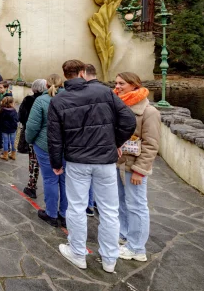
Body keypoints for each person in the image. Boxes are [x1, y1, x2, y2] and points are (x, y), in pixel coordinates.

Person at [47, 59, 136, 273]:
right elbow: (129, 121)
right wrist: (115, 143)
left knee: (76, 208)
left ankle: (78, 253)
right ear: (82, 73)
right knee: (109, 210)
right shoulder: (103, 93)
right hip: (104, 160)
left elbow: (54, 137)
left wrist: (56, 163)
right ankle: (109, 259)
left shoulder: (58, 101)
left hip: (77, 161)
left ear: (65, 74)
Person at [114, 72, 161, 263]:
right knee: (122, 203)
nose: (117, 87)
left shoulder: (150, 112)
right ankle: (124, 235)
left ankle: (137, 248)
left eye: (121, 83)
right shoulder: (119, 105)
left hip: (134, 167)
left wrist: (140, 171)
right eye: (116, 83)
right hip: (119, 164)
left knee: (137, 206)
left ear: (134, 85)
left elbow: (152, 144)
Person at [25, 74, 67, 227]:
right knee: (64, 180)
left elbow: (32, 125)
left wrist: (30, 140)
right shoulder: (70, 99)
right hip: (66, 145)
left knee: (50, 179)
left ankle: (51, 213)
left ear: (47, 85)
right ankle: (64, 214)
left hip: (45, 144)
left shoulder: (41, 100)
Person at [21, 79, 47, 199]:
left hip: (33, 135)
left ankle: (31, 186)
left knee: (33, 161)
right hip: (47, 136)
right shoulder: (50, 99)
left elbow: (21, 117)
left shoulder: (29, 100)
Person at [83, 63, 101, 217]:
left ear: (83, 73)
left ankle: (89, 205)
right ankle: (95, 203)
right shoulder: (109, 92)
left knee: (87, 177)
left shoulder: (83, 92)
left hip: (86, 144)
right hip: (102, 144)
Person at [0, 96, 19, 161]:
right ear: (11, 103)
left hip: (4, 129)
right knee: (13, 142)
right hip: (13, 129)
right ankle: (13, 154)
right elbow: (17, 119)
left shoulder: (1, 110)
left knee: (5, 142)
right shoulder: (14, 111)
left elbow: (0, 120)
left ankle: (5, 155)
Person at [0, 80, 13, 149]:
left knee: (6, 133)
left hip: (6, 116)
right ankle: (0, 144)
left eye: (1, 88)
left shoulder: (8, 95)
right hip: (0, 115)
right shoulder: (0, 94)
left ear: (6, 88)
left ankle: (8, 148)